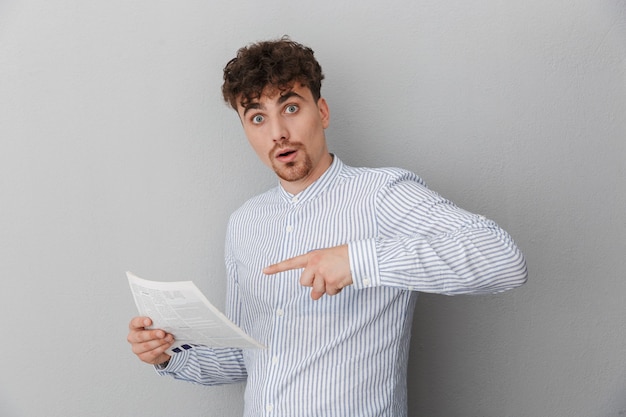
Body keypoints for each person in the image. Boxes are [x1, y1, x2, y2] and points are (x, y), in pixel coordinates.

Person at [127, 37, 527, 417]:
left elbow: (504, 260)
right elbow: (250, 355)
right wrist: (167, 354)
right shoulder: (244, 224)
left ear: (322, 112)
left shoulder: (381, 194)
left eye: (290, 107)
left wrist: (358, 260)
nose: (278, 132)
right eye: (257, 117)